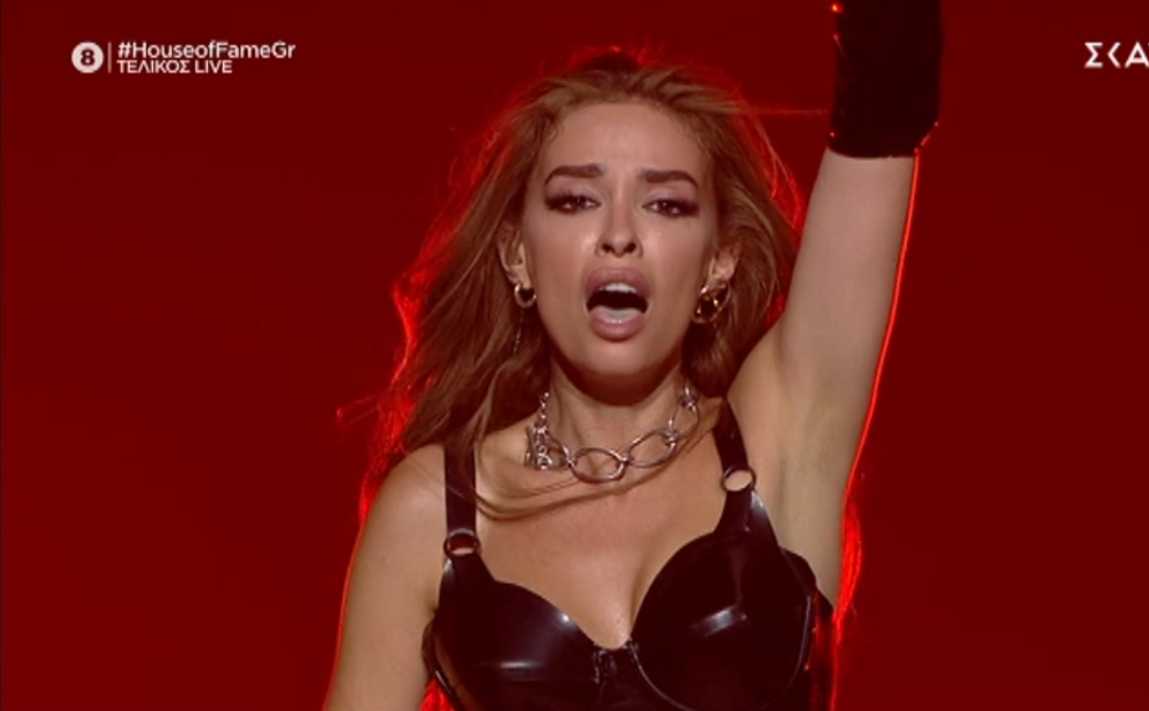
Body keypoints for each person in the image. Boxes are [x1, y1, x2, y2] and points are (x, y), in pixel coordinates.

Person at [324, 1, 941, 708]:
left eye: (666, 204)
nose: (619, 233)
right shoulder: (433, 511)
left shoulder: (779, 437)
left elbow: (887, 92)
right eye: (575, 200)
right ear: (517, 255)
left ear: (719, 263)